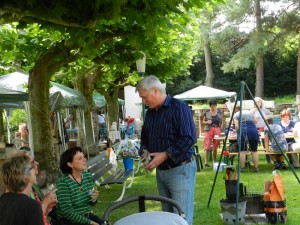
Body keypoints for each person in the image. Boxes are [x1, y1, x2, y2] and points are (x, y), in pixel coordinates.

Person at [136, 75, 197, 225]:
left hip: (181, 170)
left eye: (145, 97)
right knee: (167, 218)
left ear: (155, 90)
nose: (144, 101)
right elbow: (145, 138)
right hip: (162, 172)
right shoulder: (150, 113)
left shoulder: (179, 107)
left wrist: (165, 154)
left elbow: (189, 138)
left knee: (181, 218)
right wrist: (145, 152)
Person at [56, 146, 101, 225]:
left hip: (87, 216)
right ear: (70, 164)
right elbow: (67, 212)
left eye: (84, 157)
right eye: (80, 158)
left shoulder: (87, 176)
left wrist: (93, 199)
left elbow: (91, 203)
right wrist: (90, 222)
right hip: (69, 221)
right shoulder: (63, 182)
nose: (85, 160)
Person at [15, 149, 58, 225]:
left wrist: (48, 206)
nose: (37, 163)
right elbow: (32, 219)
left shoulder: (33, 187)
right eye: (32, 162)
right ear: (22, 170)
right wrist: (45, 202)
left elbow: (42, 214)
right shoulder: (20, 193)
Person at [0, 154, 44, 225]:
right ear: (25, 175)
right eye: (32, 167)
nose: (36, 171)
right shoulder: (32, 206)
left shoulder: (3, 199)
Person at [233, 107, 260, 172]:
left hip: (243, 130)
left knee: (242, 151)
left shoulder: (236, 114)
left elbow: (236, 126)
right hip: (253, 130)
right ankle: (256, 168)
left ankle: (241, 168)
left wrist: (237, 132)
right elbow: (256, 122)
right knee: (254, 151)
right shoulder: (250, 113)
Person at [250, 97, 273, 163]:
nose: (258, 103)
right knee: (254, 144)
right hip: (255, 129)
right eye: (256, 102)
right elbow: (248, 118)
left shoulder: (264, 110)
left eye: (259, 102)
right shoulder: (252, 110)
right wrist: (252, 113)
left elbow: (271, 115)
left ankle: (268, 160)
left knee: (266, 144)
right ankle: (253, 160)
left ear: (261, 103)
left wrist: (267, 117)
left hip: (264, 128)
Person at [202, 99, 223, 168]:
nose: (213, 107)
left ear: (216, 106)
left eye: (214, 106)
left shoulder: (219, 112)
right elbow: (203, 122)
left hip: (217, 129)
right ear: (210, 106)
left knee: (215, 146)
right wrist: (206, 122)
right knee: (207, 145)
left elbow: (221, 121)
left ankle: (214, 162)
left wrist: (220, 128)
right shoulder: (207, 112)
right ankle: (206, 162)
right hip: (209, 129)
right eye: (212, 106)